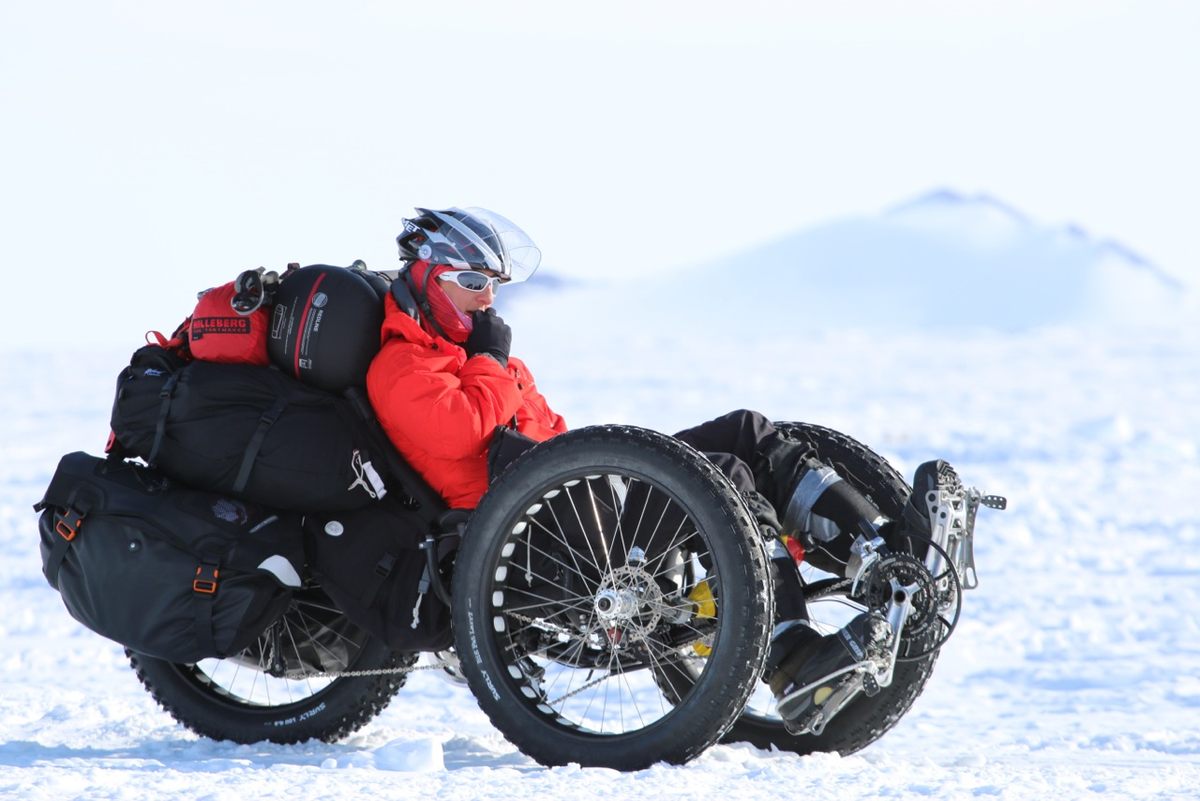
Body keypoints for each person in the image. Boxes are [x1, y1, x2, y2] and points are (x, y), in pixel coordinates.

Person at [366, 206, 961, 728]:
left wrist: (493, 365)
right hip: (543, 543)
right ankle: (792, 658)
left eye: (494, 284)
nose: (488, 298)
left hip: (583, 508)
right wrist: (494, 358)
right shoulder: (402, 367)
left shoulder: (465, 359)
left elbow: (550, 431)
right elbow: (466, 430)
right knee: (723, 469)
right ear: (426, 278)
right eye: (473, 281)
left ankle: (883, 557)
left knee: (745, 432)